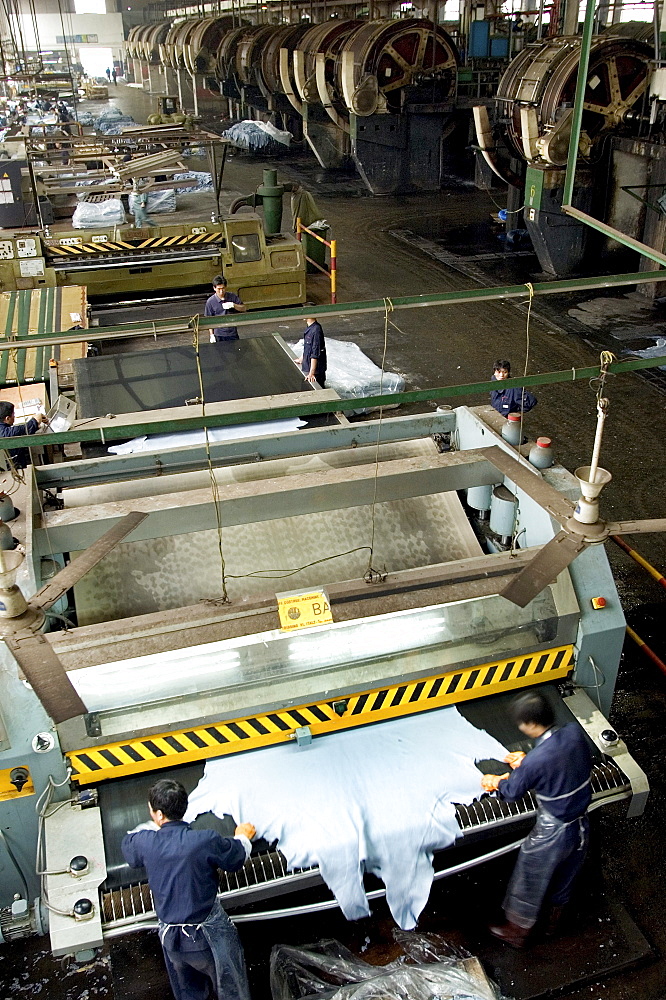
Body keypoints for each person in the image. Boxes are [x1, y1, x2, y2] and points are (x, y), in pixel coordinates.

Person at [122, 778, 255, 1000]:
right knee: (231, 988)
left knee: (188, 992)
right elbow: (236, 857)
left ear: (158, 814)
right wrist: (242, 835)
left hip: (172, 943)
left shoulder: (146, 842)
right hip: (208, 939)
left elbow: (128, 845)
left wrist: (154, 827)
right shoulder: (204, 840)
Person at [481, 691, 592, 948]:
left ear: (530, 725)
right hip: (580, 821)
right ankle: (555, 922)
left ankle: (517, 931)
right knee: (567, 872)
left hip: (553, 830)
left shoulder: (536, 763)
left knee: (530, 873)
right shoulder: (574, 732)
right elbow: (560, 761)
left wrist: (495, 781)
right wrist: (528, 760)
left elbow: (512, 793)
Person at [0, 400, 47, 468]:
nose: (14, 416)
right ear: (7, 418)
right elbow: (31, 425)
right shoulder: (8, 432)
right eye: (13, 414)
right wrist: (39, 415)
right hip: (13, 468)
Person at [204, 275, 247, 342]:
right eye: (219, 289)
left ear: (226, 287)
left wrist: (233, 305)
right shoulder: (210, 302)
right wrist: (211, 335)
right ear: (214, 288)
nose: (221, 291)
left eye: (223, 288)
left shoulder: (232, 297)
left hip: (232, 333)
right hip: (219, 334)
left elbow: (244, 308)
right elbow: (208, 320)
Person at [296, 316, 326, 387]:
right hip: (308, 365)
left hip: (316, 371)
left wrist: (312, 373)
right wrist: (301, 359)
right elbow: (308, 347)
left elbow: (315, 352)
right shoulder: (310, 327)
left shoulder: (316, 330)